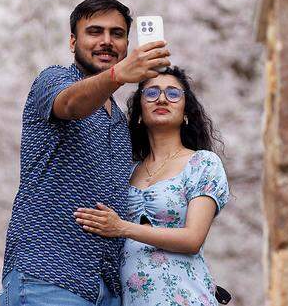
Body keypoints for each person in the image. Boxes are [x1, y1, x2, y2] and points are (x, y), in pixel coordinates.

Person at [0, 0, 171, 306]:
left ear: (127, 44)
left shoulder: (120, 120)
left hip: (107, 287)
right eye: (95, 32)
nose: (106, 41)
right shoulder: (53, 80)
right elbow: (70, 105)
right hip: (48, 277)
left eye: (117, 34)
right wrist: (118, 76)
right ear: (72, 41)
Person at [73, 66, 230, 306]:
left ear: (186, 112)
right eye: (152, 93)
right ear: (139, 112)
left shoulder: (202, 163)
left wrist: (122, 227)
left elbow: (193, 238)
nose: (163, 99)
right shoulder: (126, 171)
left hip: (185, 297)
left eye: (173, 93)